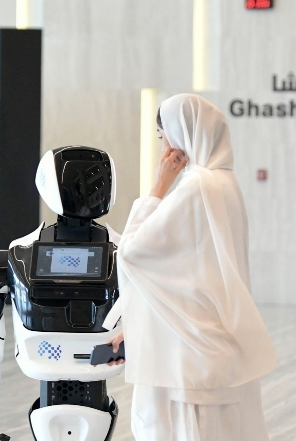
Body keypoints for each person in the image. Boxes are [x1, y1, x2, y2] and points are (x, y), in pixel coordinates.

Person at [108, 94, 277, 440]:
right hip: (215, 344)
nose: (164, 146)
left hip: (191, 354)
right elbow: (187, 270)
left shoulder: (197, 186)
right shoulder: (224, 183)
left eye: (163, 135)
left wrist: (158, 185)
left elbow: (131, 252)